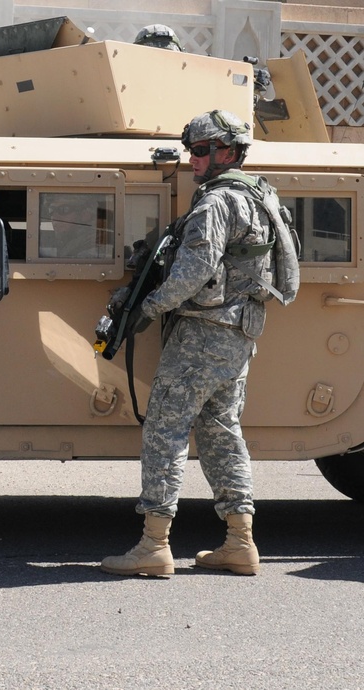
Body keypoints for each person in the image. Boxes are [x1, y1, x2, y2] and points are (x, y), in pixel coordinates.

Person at [101, 109, 271, 578]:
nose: (192, 160)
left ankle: (154, 545)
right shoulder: (257, 197)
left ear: (227, 152)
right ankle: (240, 542)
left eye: (199, 151)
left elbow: (194, 271)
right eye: (191, 151)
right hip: (238, 334)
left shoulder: (216, 203)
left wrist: (148, 307)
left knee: (165, 430)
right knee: (222, 433)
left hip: (201, 333)